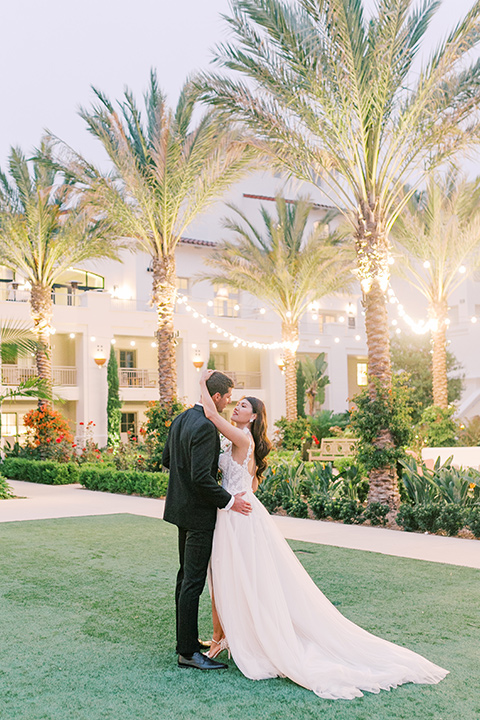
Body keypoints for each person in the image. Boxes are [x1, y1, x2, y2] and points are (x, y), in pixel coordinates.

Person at [199, 369, 449, 700]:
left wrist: (202, 380)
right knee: (227, 577)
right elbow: (252, 483)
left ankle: (232, 638)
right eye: (238, 403)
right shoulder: (243, 442)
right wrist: (241, 492)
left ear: (254, 416)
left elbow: (211, 413)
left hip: (238, 519)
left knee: (241, 577)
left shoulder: (243, 439)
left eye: (243, 405)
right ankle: (222, 636)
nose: (237, 407)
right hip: (236, 513)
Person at [162, 370, 252, 671]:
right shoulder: (205, 428)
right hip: (198, 515)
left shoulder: (182, 419)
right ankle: (187, 652)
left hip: (179, 510)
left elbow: (167, 461)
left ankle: (185, 640)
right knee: (192, 582)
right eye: (228, 397)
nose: (229, 401)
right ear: (217, 397)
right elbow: (202, 478)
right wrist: (229, 501)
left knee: (183, 578)